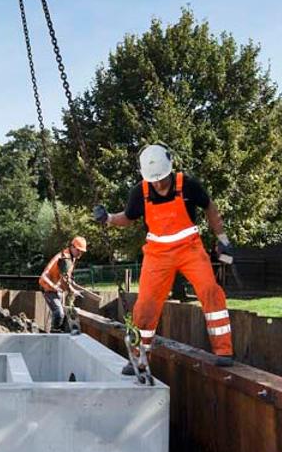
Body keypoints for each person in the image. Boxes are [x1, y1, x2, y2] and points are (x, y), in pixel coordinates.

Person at [94, 144, 235, 372]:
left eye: (162, 179)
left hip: (190, 248)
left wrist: (223, 239)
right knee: (146, 305)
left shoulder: (187, 185)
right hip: (157, 253)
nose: (158, 184)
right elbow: (127, 218)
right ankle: (139, 358)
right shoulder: (140, 192)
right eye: (154, 180)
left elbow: (210, 207)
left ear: (170, 169)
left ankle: (224, 349)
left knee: (210, 290)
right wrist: (108, 218)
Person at [38, 236, 89, 333]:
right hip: (47, 286)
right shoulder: (65, 258)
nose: (80, 253)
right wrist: (72, 290)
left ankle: (57, 331)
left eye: (82, 252)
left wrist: (71, 285)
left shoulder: (71, 257)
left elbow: (66, 277)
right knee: (59, 313)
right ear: (72, 247)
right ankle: (54, 334)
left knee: (61, 313)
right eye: (78, 250)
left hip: (55, 287)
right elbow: (64, 279)